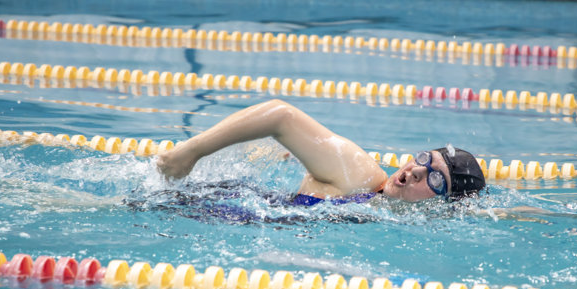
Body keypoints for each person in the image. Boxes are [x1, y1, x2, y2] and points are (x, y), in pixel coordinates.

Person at [156, 99, 486, 205]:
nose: (417, 170)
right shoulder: (357, 174)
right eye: (425, 160)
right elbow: (280, 115)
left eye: (436, 179)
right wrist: (189, 153)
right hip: (185, 204)